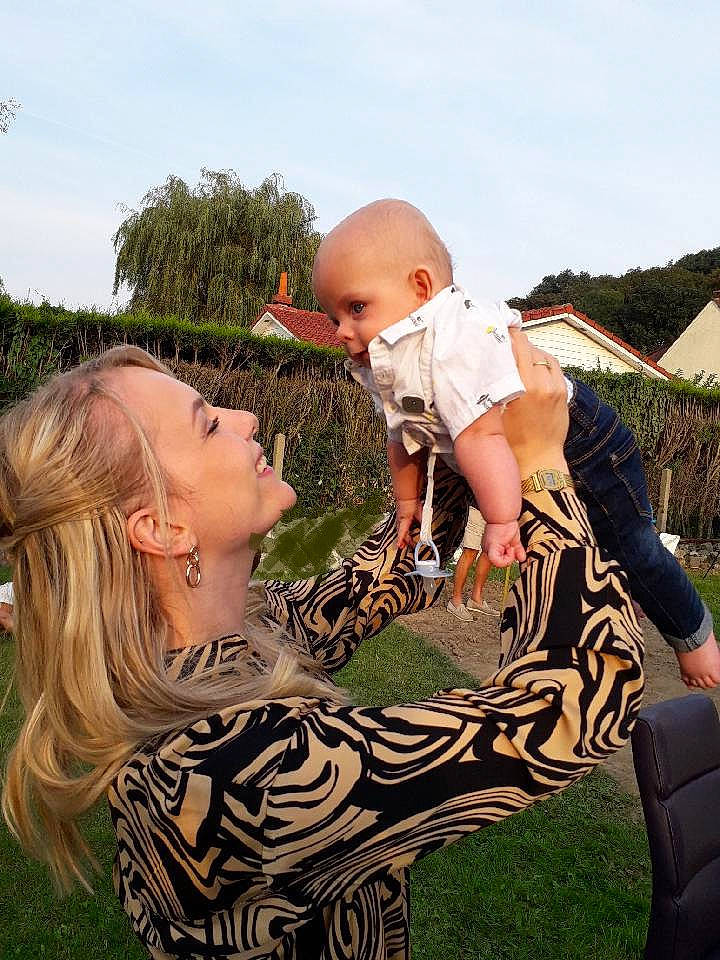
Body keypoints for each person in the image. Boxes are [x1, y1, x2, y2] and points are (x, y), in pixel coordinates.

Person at [0, 337, 643, 959]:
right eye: (207, 425)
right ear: (163, 528)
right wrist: (538, 468)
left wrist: (458, 424)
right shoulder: (235, 775)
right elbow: (575, 704)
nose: (246, 418)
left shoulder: (235, 637)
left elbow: (379, 584)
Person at [312, 198, 720, 690]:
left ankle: (694, 637)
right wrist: (406, 502)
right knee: (579, 553)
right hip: (508, 458)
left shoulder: (452, 339)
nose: (341, 329)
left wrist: (502, 520)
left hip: (582, 440)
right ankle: (623, 593)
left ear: (419, 288)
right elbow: (400, 434)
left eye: (356, 307)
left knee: (633, 544)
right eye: (333, 314)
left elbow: (482, 434)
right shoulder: (388, 356)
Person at [446, 505, 500, 620]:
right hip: (478, 506)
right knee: (470, 551)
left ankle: (476, 599)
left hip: (498, 511)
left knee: (488, 551)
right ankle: (455, 601)